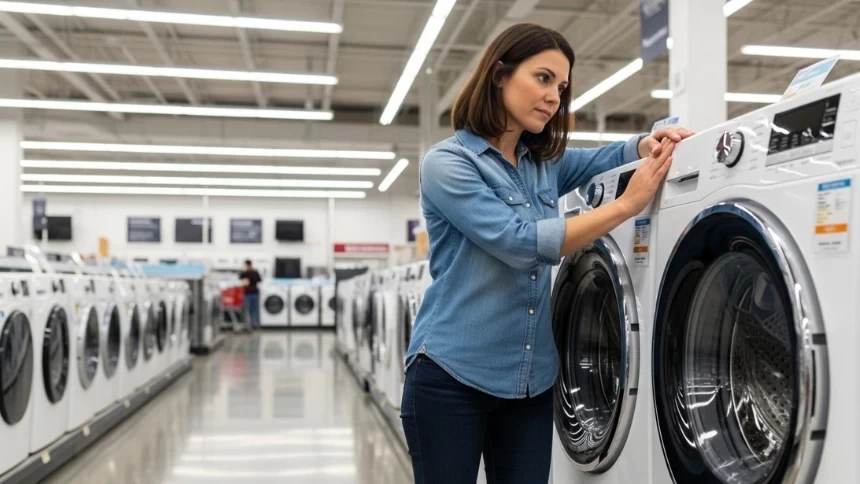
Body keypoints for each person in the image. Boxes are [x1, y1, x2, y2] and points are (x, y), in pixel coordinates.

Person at [401, 23, 693, 484]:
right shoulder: (449, 163)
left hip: (531, 383)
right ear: (499, 76)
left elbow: (602, 157)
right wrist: (626, 206)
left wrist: (646, 144)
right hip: (452, 378)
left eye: (561, 87)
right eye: (542, 78)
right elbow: (519, 243)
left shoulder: (542, 165)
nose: (555, 97)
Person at [239, 260, 262, 329]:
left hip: (248, 293)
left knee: (247, 310)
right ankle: (255, 324)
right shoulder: (255, 272)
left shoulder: (245, 273)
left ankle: (248, 325)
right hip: (255, 293)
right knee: (254, 310)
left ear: (247, 265)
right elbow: (260, 280)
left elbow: (240, 279)